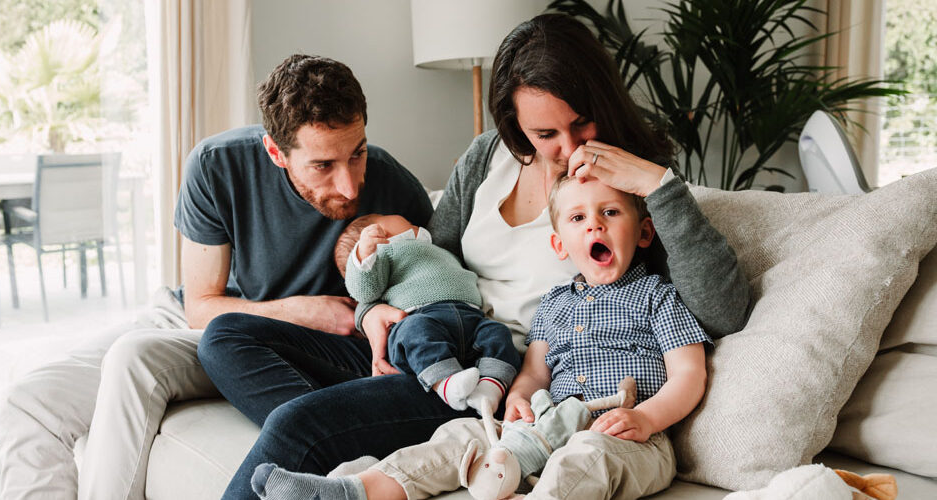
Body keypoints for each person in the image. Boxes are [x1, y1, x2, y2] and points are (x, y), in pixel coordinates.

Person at [213, 13, 750, 500]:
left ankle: (350, 426)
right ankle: (360, 417)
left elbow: (723, 312)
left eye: (581, 123)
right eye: (544, 133)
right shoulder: (485, 157)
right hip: (433, 335)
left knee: (295, 425)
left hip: (493, 375)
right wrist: (370, 310)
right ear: (515, 123)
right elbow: (432, 263)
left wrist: (657, 183)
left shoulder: (627, 190)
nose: (566, 148)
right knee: (225, 337)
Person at [0, 53, 433, 500]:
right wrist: (303, 311)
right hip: (207, 315)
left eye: (356, 152)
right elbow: (200, 306)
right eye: (323, 165)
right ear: (275, 153)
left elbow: (437, 288)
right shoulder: (217, 165)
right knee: (31, 401)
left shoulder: (392, 183)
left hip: (268, 345)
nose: (349, 185)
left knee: (134, 356)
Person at [250, 173, 713, 500]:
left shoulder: (656, 297)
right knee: (459, 435)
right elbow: (534, 371)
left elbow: (688, 374)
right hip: (546, 425)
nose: (594, 225)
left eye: (610, 212)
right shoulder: (555, 303)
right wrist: (520, 400)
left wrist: (648, 420)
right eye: (577, 219)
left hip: (627, 435)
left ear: (645, 232)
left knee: (590, 456)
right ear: (559, 245)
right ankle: (356, 491)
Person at [335, 213, 522, 411]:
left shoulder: (439, 251)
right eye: (405, 221)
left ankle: (490, 388)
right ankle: (445, 384)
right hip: (421, 317)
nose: (411, 222)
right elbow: (365, 292)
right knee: (414, 331)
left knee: (497, 332)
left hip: (471, 317)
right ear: (381, 235)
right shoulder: (384, 254)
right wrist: (364, 255)